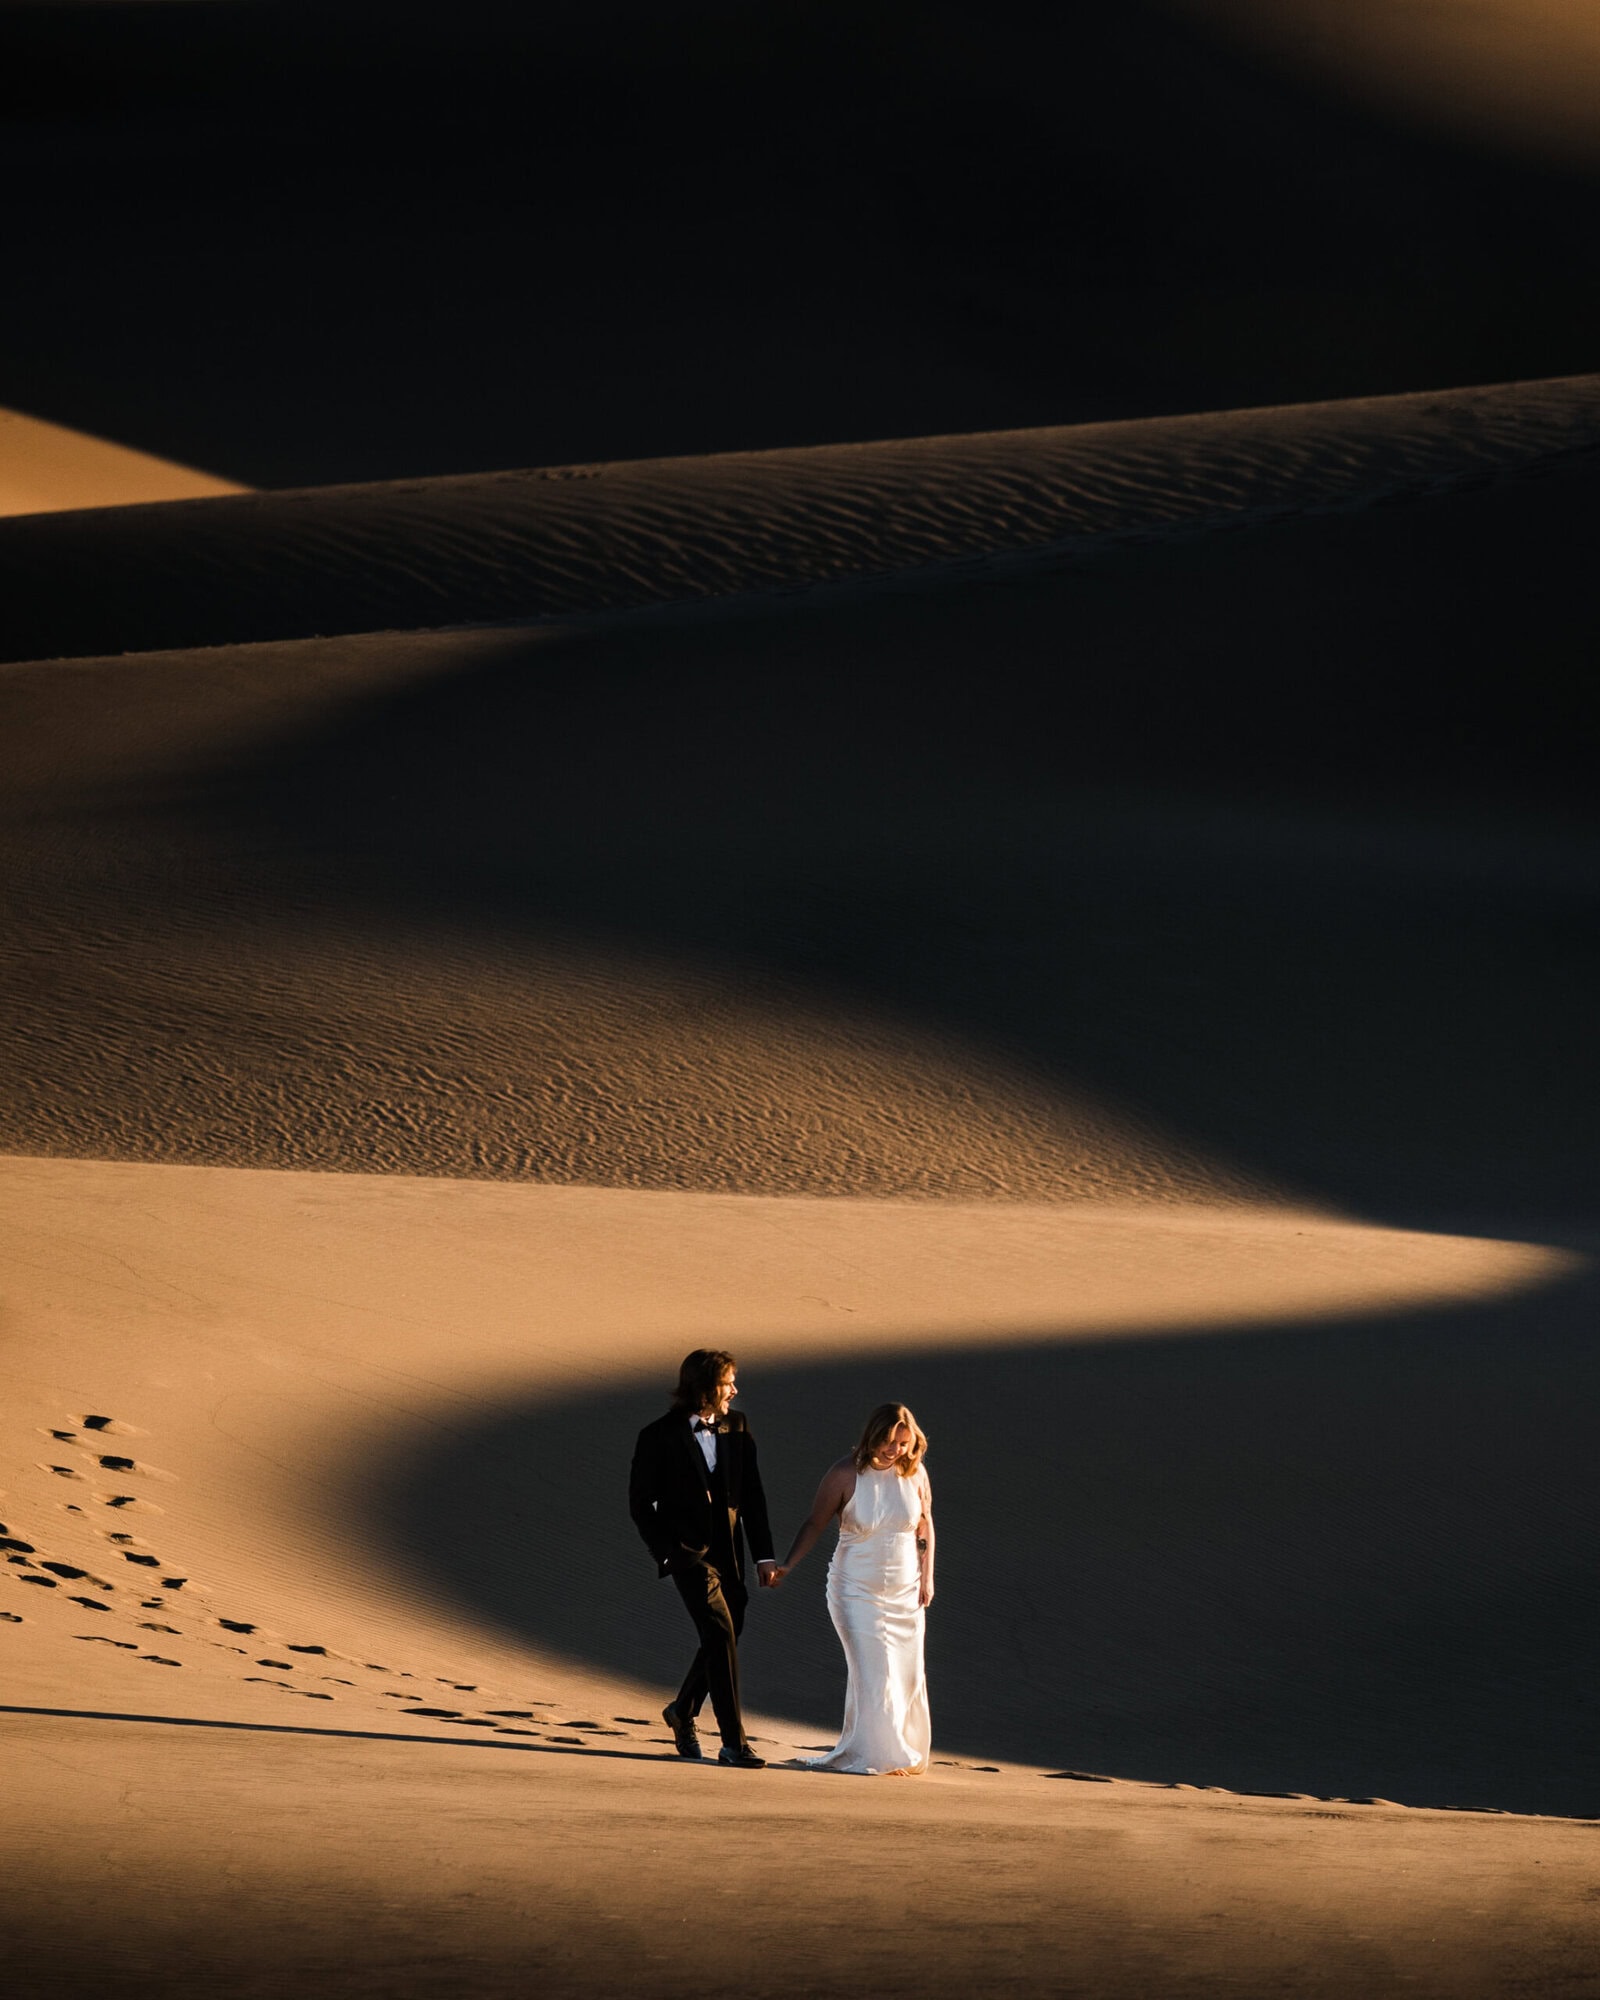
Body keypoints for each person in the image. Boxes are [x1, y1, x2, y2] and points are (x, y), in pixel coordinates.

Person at [628, 1348, 780, 1769]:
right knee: (717, 1630)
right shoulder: (657, 1435)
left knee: (730, 1629)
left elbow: (753, 1495)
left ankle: (682, 1710)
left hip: (730, 1551)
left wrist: (763, 1556)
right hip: (687, 1555)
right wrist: (667, 1555)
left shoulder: (738, 1426)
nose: (735, 1389)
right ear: (705, 1386)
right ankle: (733, 1744)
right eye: (728, 1381)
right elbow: (640, 1504)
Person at [769, 1401, 933, 1776]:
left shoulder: (916, 1474)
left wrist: (927, 1577)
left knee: (907, 1675)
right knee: (875, 1674)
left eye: (905, 1444)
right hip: (855, 1590)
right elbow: (815, 1523)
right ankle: (879, 1757)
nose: (897, 1451)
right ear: (873, 1436)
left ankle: (899, 1750)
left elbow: (925, 1526)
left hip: (907, 1593)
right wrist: (788, 1565)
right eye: (890, 1442)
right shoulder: (844, 1474)